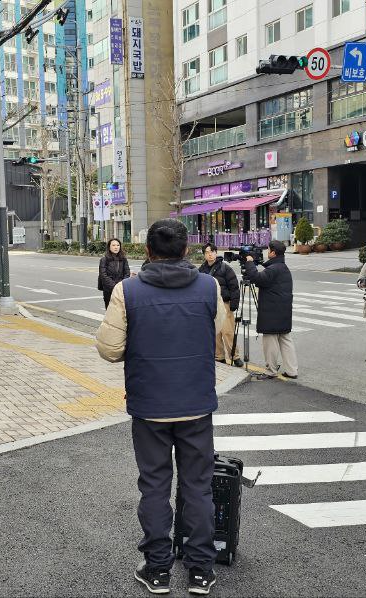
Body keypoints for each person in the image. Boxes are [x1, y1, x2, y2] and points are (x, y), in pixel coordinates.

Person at [94, 219, 224, 596]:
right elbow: (215, 332)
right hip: (196, 404)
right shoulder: (208, 285)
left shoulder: (127, 291)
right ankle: (201, 570)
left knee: (154, 486)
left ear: (147, 251)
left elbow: (109, 349)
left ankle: (157, 569)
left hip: (149, 406)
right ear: (186, 250)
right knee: (198, 487)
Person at [242, 240, 297, 379]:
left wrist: (249, 262)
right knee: (285, 339)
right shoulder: (282, 267)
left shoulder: (273, 269)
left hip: (272, 312)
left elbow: (257, 278)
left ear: (273, 252)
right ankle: (292, 371)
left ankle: (271, 370)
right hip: (283, 310)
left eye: (268, 250)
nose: (267, 252)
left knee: (270, 340)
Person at [198, 243, 242, 367]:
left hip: (225, 303)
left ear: (216, 253)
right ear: (204, 255)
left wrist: (234, 303)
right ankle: (219, 356)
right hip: (210, 305)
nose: (210, 254)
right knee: (215, 332)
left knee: (228, 331)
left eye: (212, 251)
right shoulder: (201, 270)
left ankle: (235, 356)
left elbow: (234, 287)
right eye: (207, 252)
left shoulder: (225, 268)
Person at [98, 238, 131, 308]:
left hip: (121, 289)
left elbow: (127, 273)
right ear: (109, 247)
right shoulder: (104, 260)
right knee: (110, 310)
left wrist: (120, 286)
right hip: (109, 290)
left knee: (121, 311)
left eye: (118, 245)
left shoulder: (124, 259)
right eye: (113, 245)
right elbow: (103, 275)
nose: (116, 247)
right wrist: (114, 286)